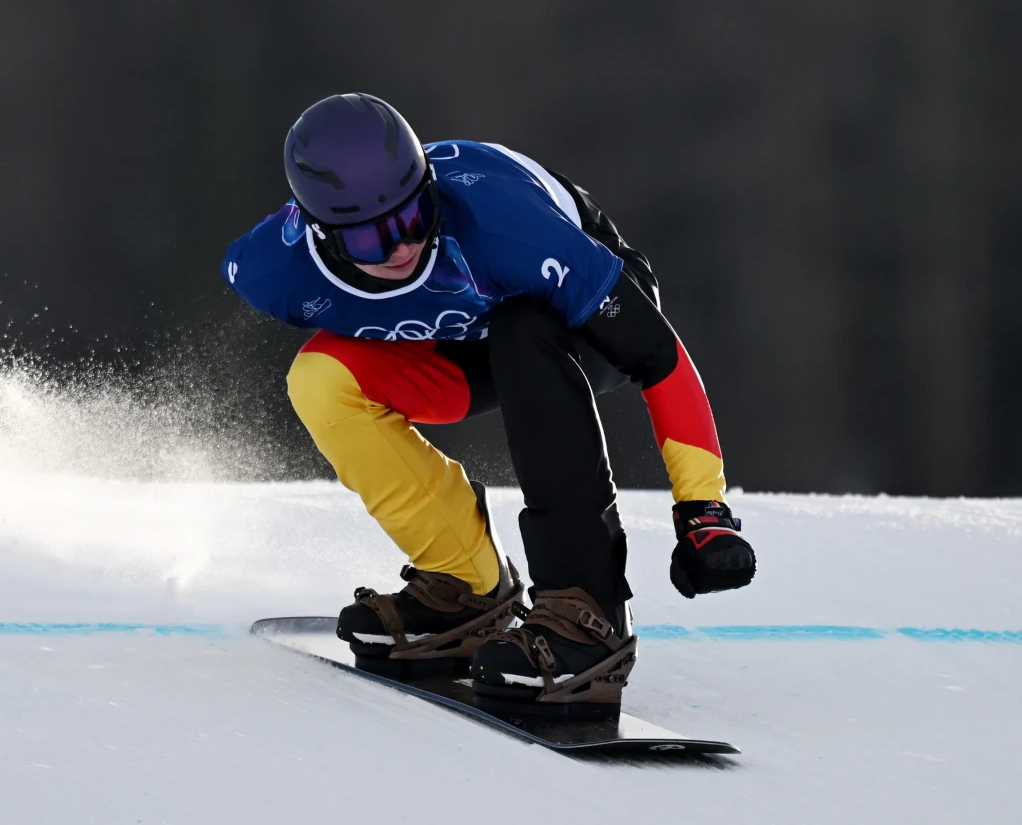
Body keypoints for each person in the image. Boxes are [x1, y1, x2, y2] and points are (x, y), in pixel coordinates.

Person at [221, 93, 756, 715]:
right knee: (318, 377)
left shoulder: (507, 230)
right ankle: (465, 583)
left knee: (524, 329)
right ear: (317, 233)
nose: (399, 247)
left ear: (430, 189)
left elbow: (659, 357)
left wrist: (702, 510)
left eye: (414, 217)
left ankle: (587, 617)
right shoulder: (272, 272)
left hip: (563, 314)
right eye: (370, 238)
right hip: (458, 339)